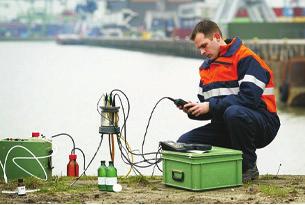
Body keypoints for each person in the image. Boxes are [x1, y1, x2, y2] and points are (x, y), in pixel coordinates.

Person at [177, 19, 281, 182]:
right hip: (227, 125)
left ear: (217, 37)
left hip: (263, 123)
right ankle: (218, 171)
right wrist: (194, 110)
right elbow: (211, 109)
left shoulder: (246, 59)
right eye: (199, 49)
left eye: (204, 46)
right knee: (183, 143)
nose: (202, 52)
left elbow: (248, 99)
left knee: (234, 113)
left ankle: (248, 167)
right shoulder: (206, 69)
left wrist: (209, 107)